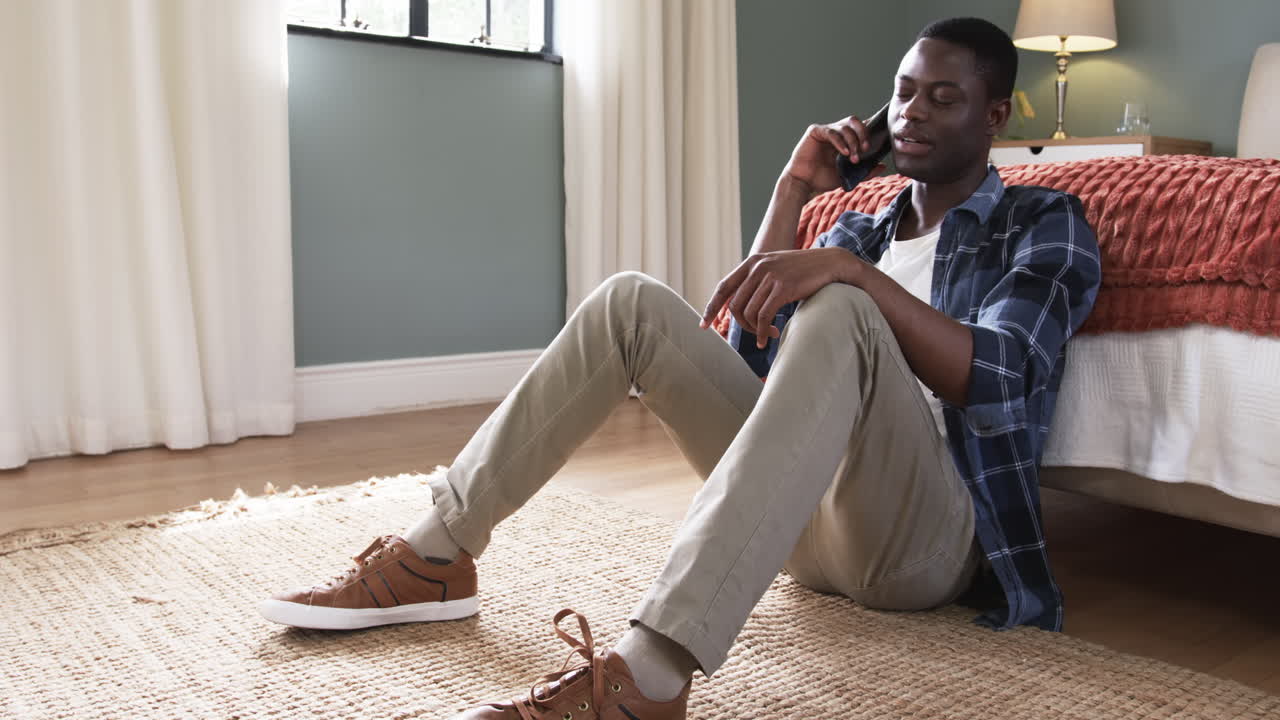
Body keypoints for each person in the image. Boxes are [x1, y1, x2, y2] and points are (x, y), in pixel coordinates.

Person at [260, 16, 1100, 720]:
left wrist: (856, 281)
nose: (911, 112)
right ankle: (434, 555)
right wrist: (792, 193)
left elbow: (1001, 376)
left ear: (995, 115)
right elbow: (752, 355)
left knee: (845, 304)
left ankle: (653, 674)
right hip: (803, 528)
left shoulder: (1043, 220)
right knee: (632, 301)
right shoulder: (861, 229)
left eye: (942, 97)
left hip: (923, 546)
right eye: (904, 91)